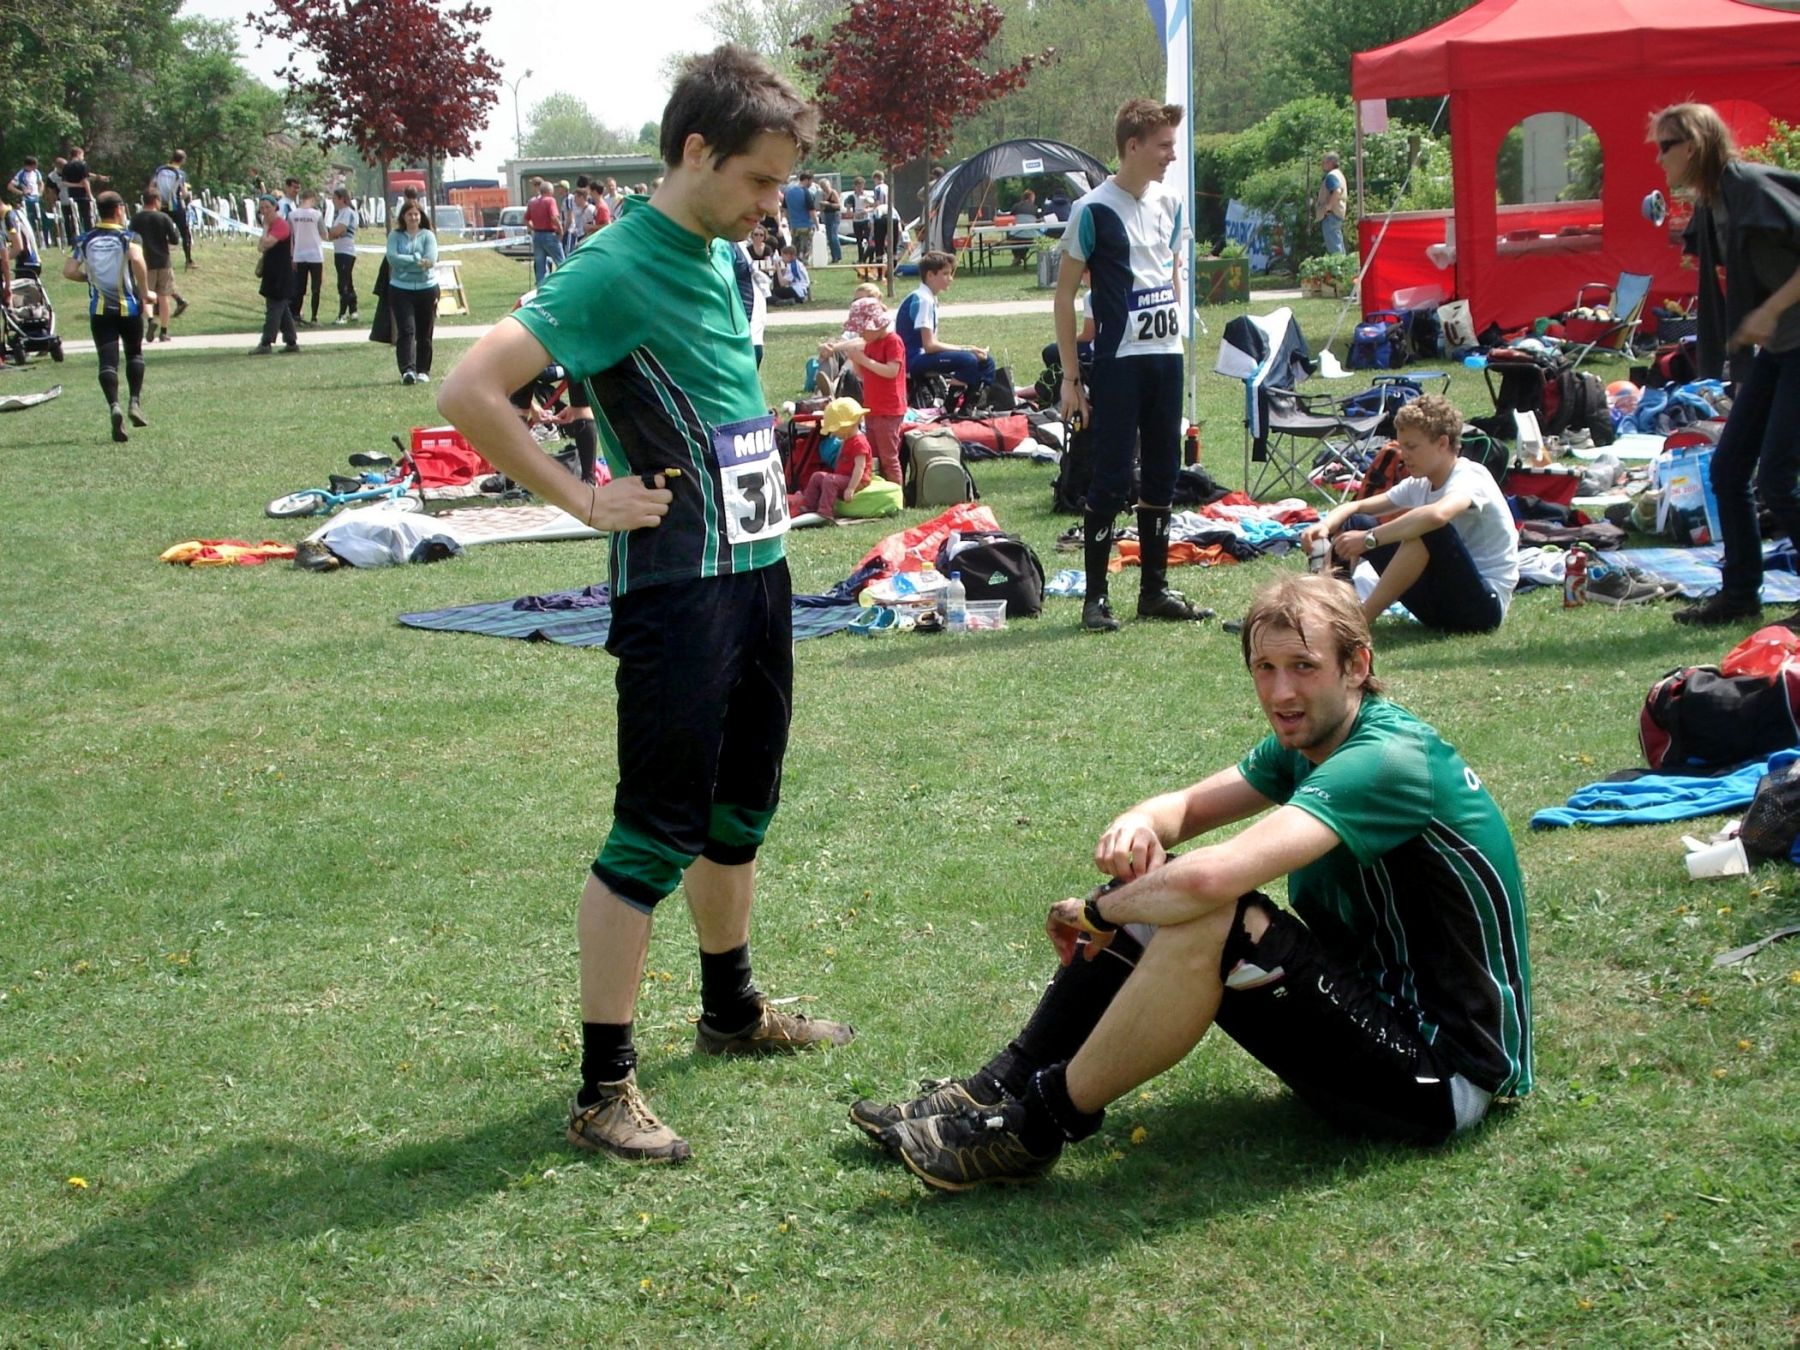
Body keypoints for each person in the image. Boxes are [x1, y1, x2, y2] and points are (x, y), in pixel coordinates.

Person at [436, 45, 851, 1165]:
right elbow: (468, 388)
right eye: (761, 182)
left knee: (741, 806)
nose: (774, 208)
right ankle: (602, 1089)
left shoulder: (714, 251)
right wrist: (579, 494)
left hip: (757, 568)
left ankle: (730, 1009)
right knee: (655, 828)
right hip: (679, 590)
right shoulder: (614, 267)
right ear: (696, 151)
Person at [861, 573, 1534, 1191]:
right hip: (1377, 1024)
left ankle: (1034, 1127)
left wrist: (1102, 908)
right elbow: (1181, 811)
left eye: (1304, 667)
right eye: (1264, 669)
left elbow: (1213, 877)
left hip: (1446, 1078)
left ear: (1357, 666)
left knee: (1214, 912)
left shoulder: (1387, 759)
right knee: (1174, 891)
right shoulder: (1310, 743)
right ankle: (994, 1090)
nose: (1280, 693)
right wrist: (1137, 824)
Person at [1056, 98, 1210, 631]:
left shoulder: (1171, 203)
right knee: (1110, 477)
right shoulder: (1093, 209)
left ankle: (1154, 590)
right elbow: (1064, 298)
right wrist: (1072, 380)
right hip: (1119, 365)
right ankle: (1095, 598)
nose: (1172, 154)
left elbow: (1171, 273)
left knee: (1163, 475)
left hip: (1165, 360)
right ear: (1133, 147)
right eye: (1164, 145)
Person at [1653, 104, 1800, 628]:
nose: (1659, 158)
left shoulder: (1750, 188)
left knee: (1779, 477)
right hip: (1782, 347)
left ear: (1691, 145)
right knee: (1728, 468)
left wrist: (1769, 309)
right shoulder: (1716, 201)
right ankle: (1740, 596)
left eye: (1665, 146)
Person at [1302, 395, 1517, 633]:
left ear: (1442, 443)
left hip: (1483, 610)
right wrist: (1325, 525)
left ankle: (1358, 622)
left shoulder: (1470, 476)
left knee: (1428, 529)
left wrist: (1368, 539)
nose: (1404, 455)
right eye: (1401, 446)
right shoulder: (1421, 483)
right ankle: (1333, 609)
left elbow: (1437, 515)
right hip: (1440, 605)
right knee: (1355, 522)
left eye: (1412, 447)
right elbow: (1356, 507)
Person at [62, 191, 150, 443]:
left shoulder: (85, 239)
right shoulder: (128, 237)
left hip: (100, 311)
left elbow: (69, 271)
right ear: (120, 209)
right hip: (129, 308)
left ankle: (114, 406)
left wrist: (88, 278)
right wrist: (145, 291)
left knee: (107, 362)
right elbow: (137, 260)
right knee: (134, 353)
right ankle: (134, 401)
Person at [824, 295, 906, 486]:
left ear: (876, 326)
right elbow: (863, 375)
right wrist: (855, 360)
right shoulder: (871, 343)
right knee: (873, 455)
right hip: (872, 407)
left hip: (889, 408)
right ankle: (878, 490)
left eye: (863, 330)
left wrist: (865, 360)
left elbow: (892, 371)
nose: (861, 334)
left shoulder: (893, 342)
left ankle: (896, 492)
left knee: (889, 457)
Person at [897, 251, 995, 396]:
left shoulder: (930, 298)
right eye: (945, 274)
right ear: (930, 275)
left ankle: (973, 403)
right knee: (968, 360)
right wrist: (966, 349)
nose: (951, 279)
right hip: (911, 360)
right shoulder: (923, 299)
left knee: (986, 360)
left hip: (923, 356)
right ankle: (949, 407)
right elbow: (929, 346)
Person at [787, 396, 871, 522]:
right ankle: (809, 505)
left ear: (847, 426)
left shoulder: (859, 443)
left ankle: (825, 513)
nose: (835, 434)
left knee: (830, 480)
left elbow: (860, 468)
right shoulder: (848, 439)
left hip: (857, 480)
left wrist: (851, 488)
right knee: (817, 476)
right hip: (844, 476)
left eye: (836, 430)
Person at [385, 200, 439, 385]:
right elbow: (392, 258)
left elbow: (430, 260)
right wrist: (416, 259)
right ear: (403, 217)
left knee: (425, 332)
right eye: (409, 214)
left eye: (416, 214)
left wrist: (407, 263)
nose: (413, 217)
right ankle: (407, 370)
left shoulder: (428, 236)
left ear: (421, 216)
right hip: (401, 290)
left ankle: (424, 370)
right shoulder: (395, 236)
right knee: (406, 330)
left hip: (427, 288)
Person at [127, 188, 181, 343]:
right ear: (156, 200)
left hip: (144, 262)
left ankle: (151, 320)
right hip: (163, 261)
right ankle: (164, 332)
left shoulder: (136, 219)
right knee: (164, 297)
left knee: (146, 295)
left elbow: (130, 239)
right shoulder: (164, 217)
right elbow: (175, 239)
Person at [248, 194, 299, 356]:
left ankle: (266, 342)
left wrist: (264, 228)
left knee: (274, 309)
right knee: (282, 309)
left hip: (281, 274)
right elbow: (260, 248)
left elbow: (267, 243)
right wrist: (265, 230)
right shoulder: (270, 225)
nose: (264, 211)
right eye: (261, 208)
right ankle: (291, 341)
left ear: (275, 207)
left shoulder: (281, 225)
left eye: (267, 208)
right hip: (272, 272)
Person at [151, 150, 194, 269]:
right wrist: (187, 195)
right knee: (185, 233)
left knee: (159, 234)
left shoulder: (159, 170)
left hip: (160, 205)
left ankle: (160, 260)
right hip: (175, 206)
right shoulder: (180, 173)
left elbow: (152, 186)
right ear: (183, 160)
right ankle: (188, 260)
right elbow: (184, 193)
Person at [288, 190, 326, 325]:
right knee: (316, 288)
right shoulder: (317, 215)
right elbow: (324, 235)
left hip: (299, 254)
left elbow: (290, 237)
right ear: (312, 200)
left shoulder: (292, 215)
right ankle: (314, 317)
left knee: (299, 288)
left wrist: (292, 255)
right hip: (315, 255)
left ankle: (295, 316)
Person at [327, 187, 361, 325]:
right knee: (348, 281)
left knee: (343, 283)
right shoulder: (340, 213)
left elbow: (340, 230)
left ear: (342, 199)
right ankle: (353, 310)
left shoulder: (346, 212)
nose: (333, 201)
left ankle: (342, 314)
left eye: (334, 198)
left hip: (345, 252)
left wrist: (330, 233)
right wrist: (333, 233)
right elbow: (335, 233)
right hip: (339, 250)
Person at [525, 178, 563, 286]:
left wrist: (534, 228)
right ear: (550, 191)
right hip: (549, 234)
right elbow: (553, 217)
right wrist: (560, 230)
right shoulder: (550, 200)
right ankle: (565, 285)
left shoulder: (532, 202)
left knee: (540, 266)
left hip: (537, 235)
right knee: (561, 262)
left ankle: (541, 289)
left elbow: (525, 219)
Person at [60, 146, 100, 238]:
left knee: (75, 217)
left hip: (72, 196)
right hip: (83, 195)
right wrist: (90, 194)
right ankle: (89, 235)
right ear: (78, 154)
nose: (83, 157)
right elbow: (85, 180)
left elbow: (64, 183)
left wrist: (76, 185)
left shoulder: (66, 166)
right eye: (82, 155)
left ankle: (76, 236)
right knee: (87, 217)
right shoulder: (82, 165)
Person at [782, 169, 816, 265]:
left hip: (794, 226)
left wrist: (789, 221)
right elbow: (811, 211)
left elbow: (785, 209)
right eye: (811, 181)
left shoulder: (788, 192)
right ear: (807, 180)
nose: (811, 184)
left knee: (795, 249)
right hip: (806, 225)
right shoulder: (806, 192)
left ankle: (794, 265)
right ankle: (803, 268)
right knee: (805, 249)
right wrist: (816, 225)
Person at [1316, 151, 1347, 256]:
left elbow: (1337, 191)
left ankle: (1339, 270)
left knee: (1334, 248)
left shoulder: (1331, 176)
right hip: (1338, 213)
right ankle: (1344, 268)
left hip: (1331, 215)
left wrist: (1328, 207)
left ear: (1330, 162)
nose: (1322, 164)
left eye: (1324, 161)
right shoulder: (1339, 174)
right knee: (1338, 244)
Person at [8, 155, 44, 246]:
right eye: (33, 166)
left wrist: (40, 193)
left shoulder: (36, 172)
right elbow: (10, 186)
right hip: (27, 200)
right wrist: (21, 192)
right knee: (29, 220)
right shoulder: (21, 174)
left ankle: (43, 240)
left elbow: (41, 183)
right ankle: (30, 241)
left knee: (40, 219)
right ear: (28, 165)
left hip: (36, 199)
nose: (35, 168)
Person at [817, 174, 842, 264]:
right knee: (829, 237)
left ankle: (838, 256)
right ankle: (833, 257)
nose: (824, 188)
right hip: (827, 215)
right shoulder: (824, 194)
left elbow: (839, 205)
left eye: (825, 186)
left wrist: (828, 204)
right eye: (822, 187)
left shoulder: (833, 193)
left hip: (834, 215)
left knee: (833, 235)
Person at [846, 175, 871, 263]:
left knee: (869, 239)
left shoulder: (867, 196)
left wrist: (865, 211)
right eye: (858, 186)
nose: (860, 188)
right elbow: (848, 211)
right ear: (855, 186)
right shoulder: (851, 197)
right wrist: (855, 214)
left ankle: (870, 258)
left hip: (866, 220)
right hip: (857, 221)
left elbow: (873, 207)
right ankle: (861, 259)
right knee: (859, 241)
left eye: (862, 186)